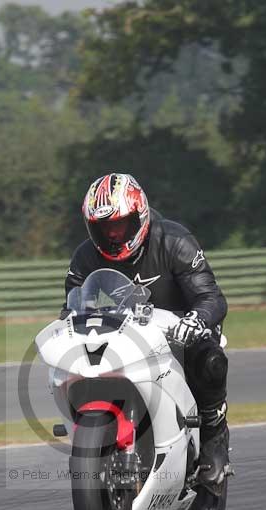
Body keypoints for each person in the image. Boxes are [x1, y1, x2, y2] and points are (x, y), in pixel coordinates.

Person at [61, 172, 230, 488]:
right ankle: (99, 437)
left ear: (140, 215)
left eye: (119, 224)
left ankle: (214, 440)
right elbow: (70, 311)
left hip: (178, 328)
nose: (112, 234)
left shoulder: (175, 241)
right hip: (121, 334)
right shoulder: (85, 257)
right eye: (103, 227)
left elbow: (211, 297)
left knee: (209, 360)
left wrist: (195, 321)